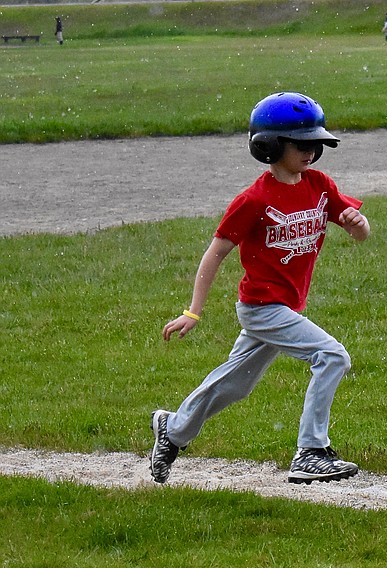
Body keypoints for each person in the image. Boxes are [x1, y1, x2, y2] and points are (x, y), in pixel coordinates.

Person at [149, 92, 371, 486]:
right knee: (332, 356)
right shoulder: (254, 200)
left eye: (315, 143)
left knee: (236, 384)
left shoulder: (318, 184)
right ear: (268, 145)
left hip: (285, 306)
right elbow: (214, 254)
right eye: (301, 143)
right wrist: (193, 311)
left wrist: (358, 223)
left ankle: (174, 428)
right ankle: (311, 451)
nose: (311, 151)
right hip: (262, 307)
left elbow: (358, 231)